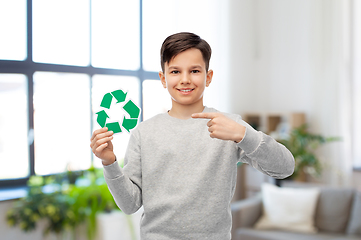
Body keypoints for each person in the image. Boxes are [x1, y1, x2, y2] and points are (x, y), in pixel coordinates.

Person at [90, 32, 294, 240]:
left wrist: (244, 134)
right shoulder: (144, 132)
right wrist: (109, 163)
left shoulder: (229, 126)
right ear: (163, 78)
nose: (185, 80)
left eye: (195, 70)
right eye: (175, 71)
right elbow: (129, 204)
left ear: (208, 76)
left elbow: (285, 168)